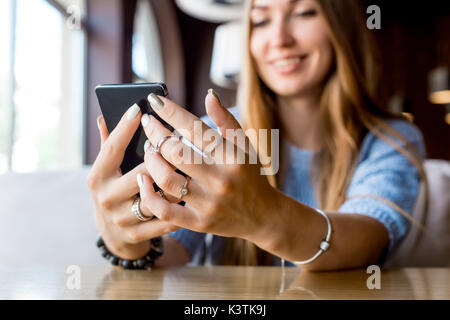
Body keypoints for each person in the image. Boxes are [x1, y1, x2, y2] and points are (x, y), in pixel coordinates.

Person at [87, 0, 426, 271]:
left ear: (343, 28)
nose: (279, 39)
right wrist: (128, 243)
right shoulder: (213, 135)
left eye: (305, 12)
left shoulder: (390, 138)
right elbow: (171, 254)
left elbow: (370, 237)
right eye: (261, 20)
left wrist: (264, 215)